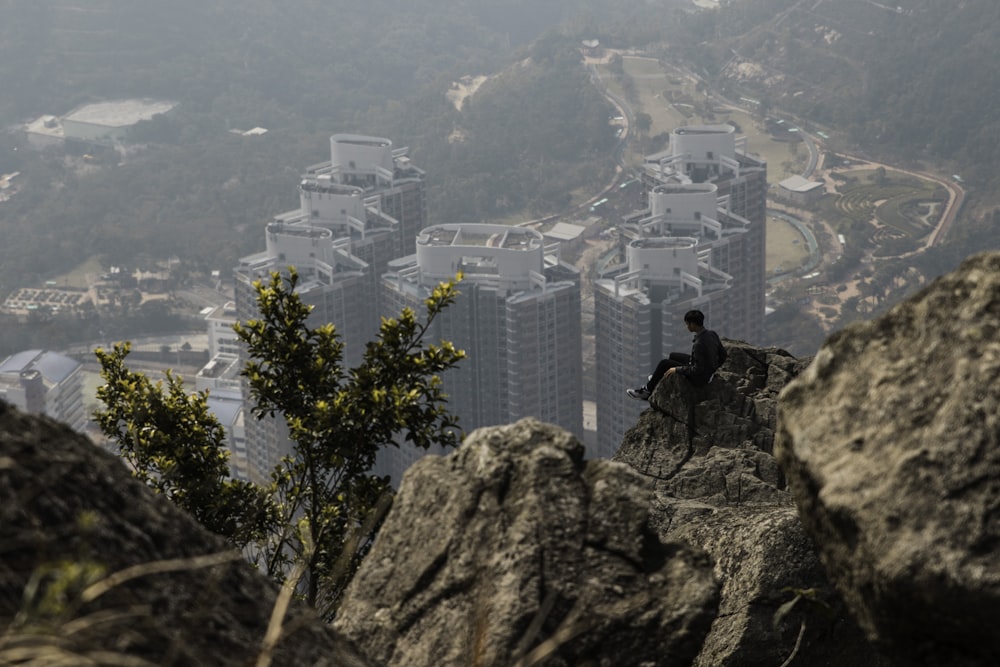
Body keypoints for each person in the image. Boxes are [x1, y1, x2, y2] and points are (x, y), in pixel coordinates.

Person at [626, 309, 726, 400]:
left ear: (693, 324)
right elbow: (723, 355)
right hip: (707, 371)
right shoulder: (712, 334)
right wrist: (712, 369)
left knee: (665, 363)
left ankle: (646, 391)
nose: (687, 326)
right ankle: (657, 379)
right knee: (673, 356)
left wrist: (677, 369)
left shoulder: (699, 344)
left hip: (699, 378)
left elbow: (697, 369)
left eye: (687, 324)